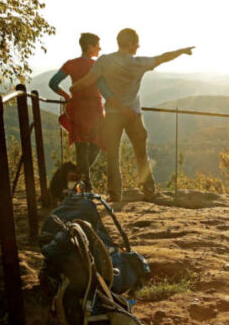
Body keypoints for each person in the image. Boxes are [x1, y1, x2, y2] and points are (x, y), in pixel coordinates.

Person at [71, 28, 194, 201]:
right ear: (130, 44)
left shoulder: (104, 61)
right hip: (133, 115)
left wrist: (74, 87)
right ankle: (149, 190)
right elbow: (162, 58)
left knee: (113, 156)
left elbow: (90, 79)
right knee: (141, 154)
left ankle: (115, 195)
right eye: (137, 43)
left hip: (112, 116)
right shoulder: (139, 63)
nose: (138, 46)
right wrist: (180, 52)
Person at [48, 33, 105, 191]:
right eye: (97, 45)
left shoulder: (70, 64)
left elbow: (53, 83)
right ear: (89, 47)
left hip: (78, 109)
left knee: (81, 148)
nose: (100, 48)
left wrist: (67, 96)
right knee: (98, 144)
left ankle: (82, 182)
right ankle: (85, 185)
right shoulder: (98, 66)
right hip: (95, 110)